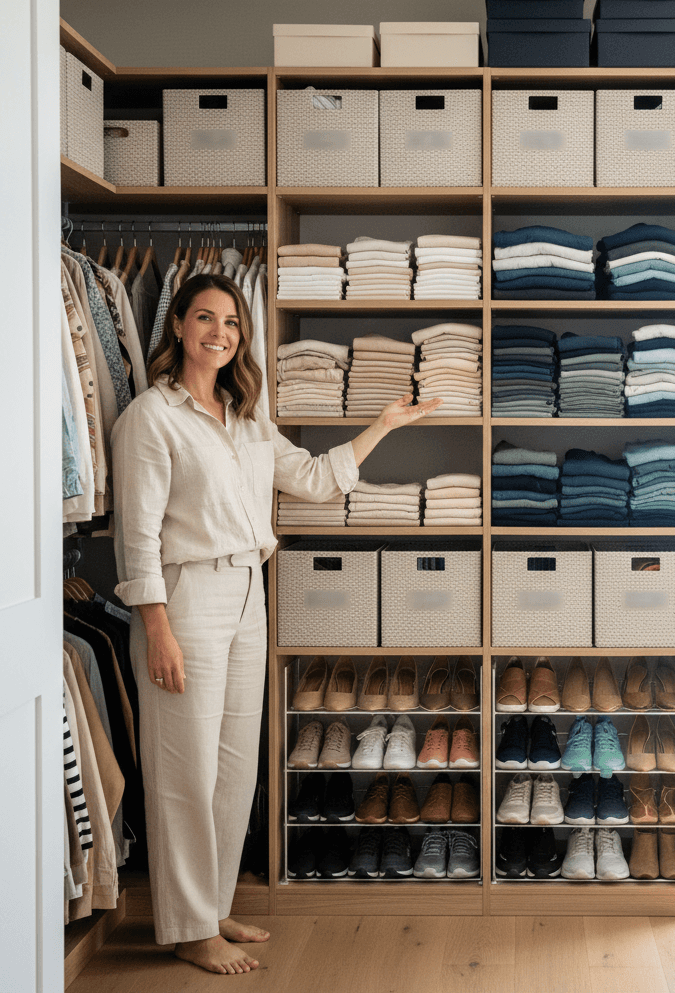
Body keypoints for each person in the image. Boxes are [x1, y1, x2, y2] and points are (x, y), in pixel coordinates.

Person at [111, 273, 440, 975]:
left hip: (247, 593)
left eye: (232, 323)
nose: (220, 333)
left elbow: (317, 478)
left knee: (234, 763)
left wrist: (381, 425)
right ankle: (188, 927)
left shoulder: (248, 421)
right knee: (184, 768)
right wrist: (158, 627)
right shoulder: (151, 416)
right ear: (177, 326)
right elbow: (136, 535)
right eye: (205, 319)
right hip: (185, 596)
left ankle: (214, 903)